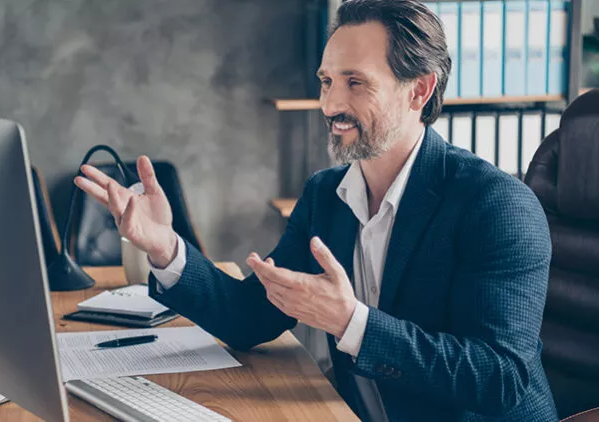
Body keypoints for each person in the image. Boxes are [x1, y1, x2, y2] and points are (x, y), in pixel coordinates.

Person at [74, 0, 557, 420]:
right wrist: (165, 247)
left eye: (355, 83)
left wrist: (352, 323)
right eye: (326, 82)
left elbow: (500, 379)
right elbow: (252, 317)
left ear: (419, 91)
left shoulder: (496, 205)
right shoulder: (327, 195)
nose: (330, 104)